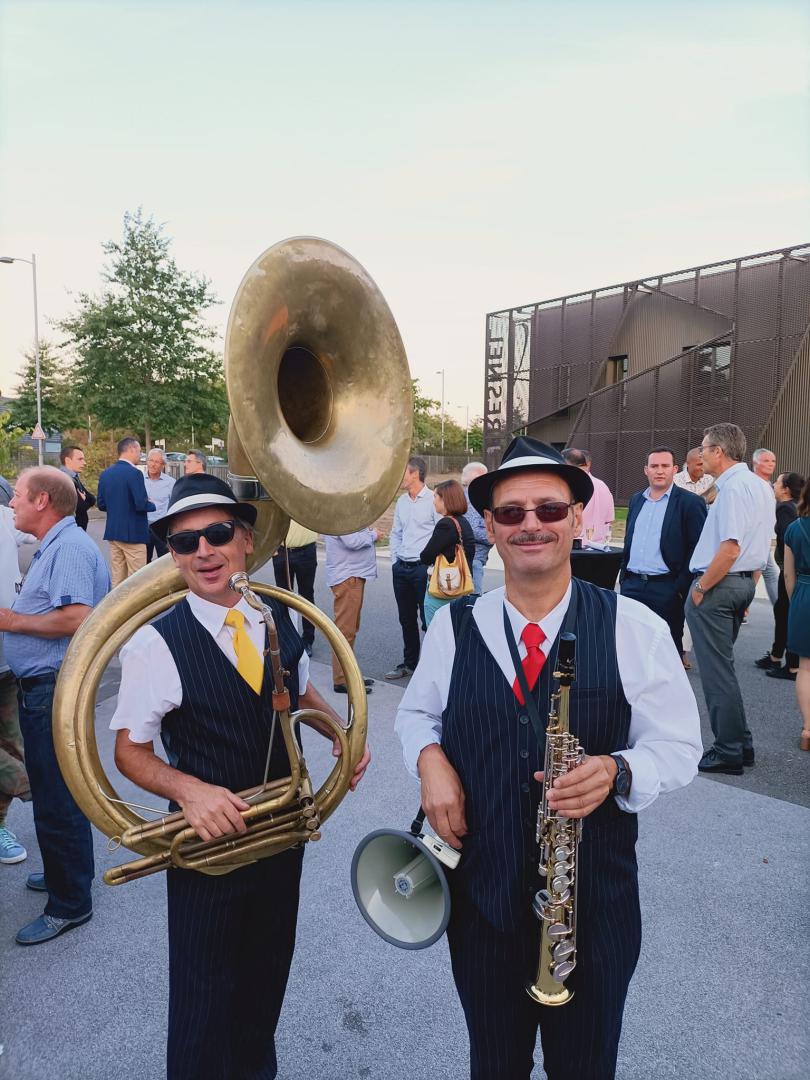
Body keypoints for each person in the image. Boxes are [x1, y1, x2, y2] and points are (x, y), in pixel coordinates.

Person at [395, 436, 700, 1080]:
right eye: (511, 513)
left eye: (549, 510)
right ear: (491, 528)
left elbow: (678, 745)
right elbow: (416, 713)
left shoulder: (634, 624)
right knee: (493, 1064)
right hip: (483, 904)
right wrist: (430, 760)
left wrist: (618, 770)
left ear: (578, 517)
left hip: (594, 907)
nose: (530, 524)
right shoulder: (453, 625)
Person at [110, 473, 370, 1080]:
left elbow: (296, 683)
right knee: (204, 998)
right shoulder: (155, 643)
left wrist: (339, 732)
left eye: (217, 533)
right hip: (209, 846)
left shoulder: (277, 615)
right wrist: (188, 791)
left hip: (281, 838)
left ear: (246, 540)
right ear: (171, 555)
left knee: (265, 978)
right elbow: (129, 752)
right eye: (184, 542)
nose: (203, 550)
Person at [0, 467, 110, 944]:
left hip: (52, 687)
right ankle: (68, 874)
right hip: (45, 686)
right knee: (55, 790)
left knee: (57, 796)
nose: (13, 505)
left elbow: (75, 619)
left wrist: (8, 620)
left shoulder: (66, 548)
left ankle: (70, 903)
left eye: (19, 497)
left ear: (43, 501)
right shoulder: (61, 542)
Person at [685, 423, 772, 775]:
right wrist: (747, 588)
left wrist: (702, 587)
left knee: (716, 673)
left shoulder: (735, 489)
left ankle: (728, 749)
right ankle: (741, 743)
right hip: (739, 585)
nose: (701, 455)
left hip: (718, 586)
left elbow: (731, 548)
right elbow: (759, 548)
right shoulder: (760, 486)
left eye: (704, 449)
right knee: (725, 670)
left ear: (719, 451)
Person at [620, 446, 707, 659]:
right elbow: (629, 541)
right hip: (631, 587)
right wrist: (624, 579)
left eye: (665, 466)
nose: (660, 471)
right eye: (654, 466)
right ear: (646, 470)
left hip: (667, 589)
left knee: (666, 654)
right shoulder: (636, 500)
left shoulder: (690, 503)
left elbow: (697, 548)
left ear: (675, 469)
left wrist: (680, 588)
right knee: (630, 650)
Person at [0, 505, 36, 866]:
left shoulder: (4, 515)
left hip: (6, 661)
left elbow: (42, 529)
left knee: (12, 741)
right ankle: (35, 787)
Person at [386, 457, 441, 679]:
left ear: (415, 474)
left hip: (423, 569)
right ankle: (409, 664)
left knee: (428, 620)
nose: (400, 478)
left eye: (403, 473)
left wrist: (430, 566)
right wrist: (394, 561)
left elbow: (441, 532)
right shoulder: (402, 502)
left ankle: (431, 668)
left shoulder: (432, 500)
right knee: (406, 619)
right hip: (401, 568)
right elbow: (396, 533)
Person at [755, 472, 802, 681]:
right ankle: (775, 656)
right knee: (783, 610)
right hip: (791, 569)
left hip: (789, 570)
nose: (773, 484)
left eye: (777, 482)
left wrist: (787, 564)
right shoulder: (795, 507)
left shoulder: (784, 508)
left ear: (785, 489)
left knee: (786, 613)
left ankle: (792, 666)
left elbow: (786, 537)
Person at [323, 527, 379, 694]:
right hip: (348, 577)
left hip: (352, 576)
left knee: (350, 630)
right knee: (345, 631)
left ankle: (349, 675)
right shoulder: (341, 513)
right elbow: (353, 541)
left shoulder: (344, 513)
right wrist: (373, 535)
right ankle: (341, 679)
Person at [97, 436, 155, 587]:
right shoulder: (134, 474)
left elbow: (101, 505)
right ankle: (138, 611)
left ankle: (116, 609)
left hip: (113, 533)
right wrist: (151, 505)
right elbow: (140, 505)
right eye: (139, 451)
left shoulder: (106, 474)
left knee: (118, 578)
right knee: (137, 579)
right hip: (133, 535)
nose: (139, 455)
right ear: (131, 449)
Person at [419, 479, 475, 627]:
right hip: (461, 588)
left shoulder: (445, 524)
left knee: (435, 634)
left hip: (443, 591)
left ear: (445, 500)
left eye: (435, 497)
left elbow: (426, 556)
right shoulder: (463, 523)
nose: (433, 502)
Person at [784, 477, 810, 750]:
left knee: (806, 667)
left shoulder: (794, 528)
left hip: (804, 593)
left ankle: (807, 730)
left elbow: (788, 575)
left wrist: (798, 602)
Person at [272, 520, 319, 657]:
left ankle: (308, 640)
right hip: (281, 552)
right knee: (283, 598)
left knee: (306, 597)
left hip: (306, 552)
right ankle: (286, 638)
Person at [562, 447, 614, 544]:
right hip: (598, 548)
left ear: (566, 464)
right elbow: (609, 520)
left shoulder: (571, 484)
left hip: (575, 547)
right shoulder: (603, 485)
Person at [751, 448, 779, 606]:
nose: (771, 464)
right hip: (754, 537)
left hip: (764, 536)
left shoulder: (768, 484)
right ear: (755, 463)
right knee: (767, 572)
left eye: (773, 461)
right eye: (766, 461)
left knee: (767, 572)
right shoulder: (752, 483)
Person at [461, 461, 492, 594]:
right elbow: (472, 529)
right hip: (473, 559)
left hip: (462, 558)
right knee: (472, 602)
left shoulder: (460, 496)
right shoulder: (475, 498)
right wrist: (493, 536)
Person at [143, 448, 175, 562]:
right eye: (151, 460)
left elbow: (173, 507)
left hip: (161, 528)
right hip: (143, 527)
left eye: (157, 462)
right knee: (144, 563)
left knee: (164, 562)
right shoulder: (139, 480)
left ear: (163, 465)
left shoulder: (171, 483)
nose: (153, 464)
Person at [59, 445, 96, 531]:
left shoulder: (74, 477)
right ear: (68, 460)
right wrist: (83, 500)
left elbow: (92, 499)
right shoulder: (64, 480)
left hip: (76, 529)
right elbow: (80, 507)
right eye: (80, 459)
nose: (84, 463)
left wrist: (83, 499)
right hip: (69, 530)